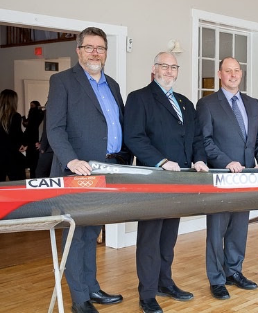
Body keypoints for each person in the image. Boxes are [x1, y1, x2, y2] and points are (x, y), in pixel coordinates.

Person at [47, 27, 127, 313]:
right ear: (78, 50)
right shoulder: (62, 81)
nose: (96, 52)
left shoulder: (113, 85)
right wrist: (70, 161)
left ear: (106, 52)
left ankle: (92, 288)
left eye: (101, 48)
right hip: (77, 172)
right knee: (76, 235)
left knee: (92, 232)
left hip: (108, 169)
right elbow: (54, 128)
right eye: (90, 47)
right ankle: (80, 299)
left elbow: (117, 125)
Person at [124, 52, 209, 313]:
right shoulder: (139, 98)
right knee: (150, 238)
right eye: (164, 66)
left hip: (181, 179)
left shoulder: (185, 103)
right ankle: (147, 293)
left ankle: (165, 282)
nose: (170, 71)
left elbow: (196, 139)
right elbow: (134, 138)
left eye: (174, 67)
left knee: (168, 237)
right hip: (154, 179)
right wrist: (161, 161)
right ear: (154, 68)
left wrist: (199, 160)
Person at [196, 57, 258, 300]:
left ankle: (234, 271)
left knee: (239, 228)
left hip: (247, 176)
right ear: (220, 74)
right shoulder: (207, 104)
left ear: (241, 74)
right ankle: (217, 279)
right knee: (217, 230)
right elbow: (205, 141)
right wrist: (225, 162)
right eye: (228, 71)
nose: (233, 75)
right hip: (221, 176)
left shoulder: (252, 104)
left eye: (236, 70)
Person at [0, 89, 27, 181]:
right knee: (18, 182)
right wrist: (24, 144)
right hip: (12, 154)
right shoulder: (15, 116)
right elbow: (17, 135)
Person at [22, 100, 44, 178]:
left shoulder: (39, 114)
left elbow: (30, 126)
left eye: (32, 106)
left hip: (35, 142)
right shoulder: (37, 114)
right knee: (33, 164)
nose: (31, 108)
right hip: (32, 142)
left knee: (35, 164)